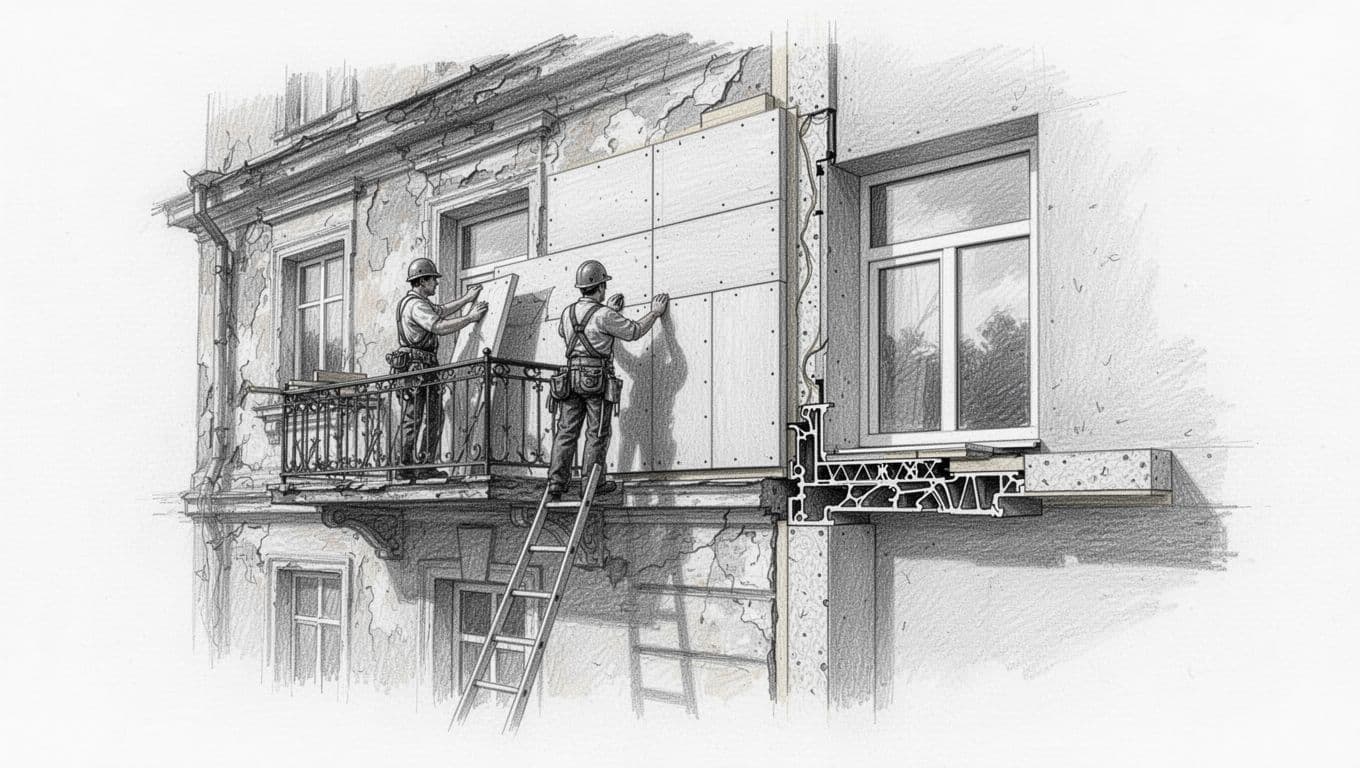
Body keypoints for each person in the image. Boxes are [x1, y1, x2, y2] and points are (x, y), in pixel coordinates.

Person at [546, 259, 669, 501]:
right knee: (597, 433)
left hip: (569, 378)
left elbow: (565, 332)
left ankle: (556, 484)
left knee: (566, 432)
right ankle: (592, 485)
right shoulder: (604, 315)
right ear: (601, 287)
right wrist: (655, 313)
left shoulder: (567, 312)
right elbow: (633, 331)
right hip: (595, 378)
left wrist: (608, 313)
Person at [389, 257, 487, 480]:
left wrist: (467, 299)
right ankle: (409, 467)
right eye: (433, 279)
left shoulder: (418, 302)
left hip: (422, 366)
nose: (436, 283)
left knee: (428, 416)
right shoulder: (415, 305)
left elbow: (441, 311)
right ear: (422, 281)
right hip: (418, 368)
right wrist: (470, 318)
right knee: (418, 418)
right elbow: (440, 326)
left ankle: (420, 465)